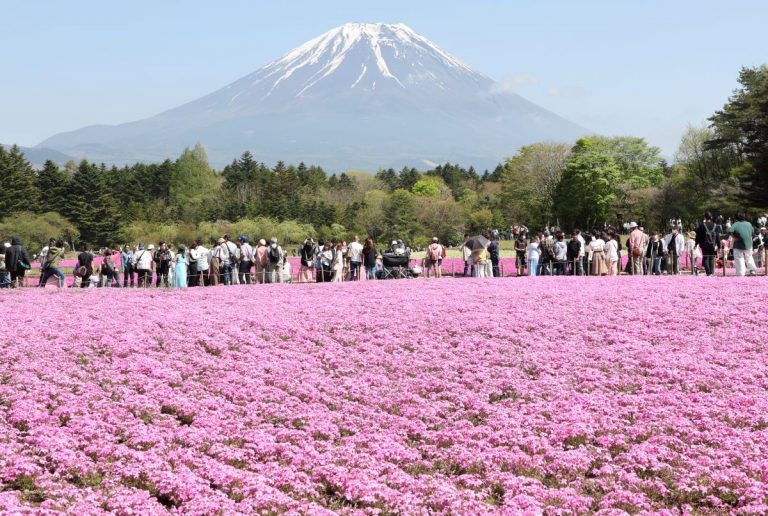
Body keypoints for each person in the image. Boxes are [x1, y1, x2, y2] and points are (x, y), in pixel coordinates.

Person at [729, 211, 757, 276]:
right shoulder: (749, 224)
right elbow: (752, 233)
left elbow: (729, 231)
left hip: (738, 244)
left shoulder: (735, 224)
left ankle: (741, 273)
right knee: (749, 256)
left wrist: (734, 237)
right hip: (748, 243)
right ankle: (752, 270)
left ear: (736, 217)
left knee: (739, 258)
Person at [695, 212, 719, 276]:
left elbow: (698, 236)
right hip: (712, 245)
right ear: (711, 217)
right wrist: (718, 245)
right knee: (711, 258)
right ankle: (711, 272)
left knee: (706, 258)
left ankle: (708, 272)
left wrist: (696, 243)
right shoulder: (715, 225)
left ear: (705, 217)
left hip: (704, 245)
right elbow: (717, 236)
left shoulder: (702, 225)